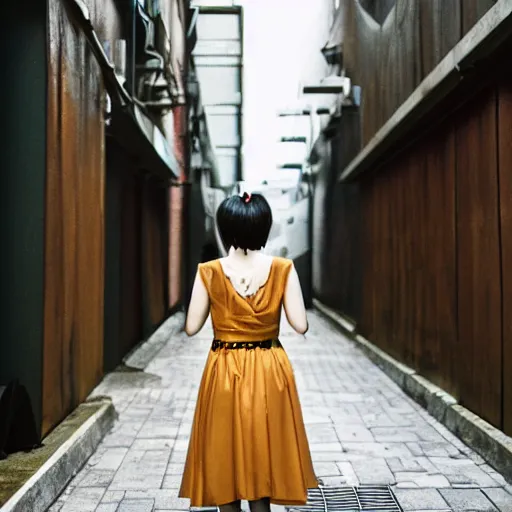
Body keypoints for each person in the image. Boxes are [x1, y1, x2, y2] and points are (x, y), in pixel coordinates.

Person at [179, 192, 318, 512]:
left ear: (225, 228)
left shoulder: (209, 271)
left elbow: (191, 327)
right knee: (262, 453)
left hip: (224, 366)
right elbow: (300, 324)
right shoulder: (283, 268)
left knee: (224, 453)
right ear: (264, 227)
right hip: (269, 367)